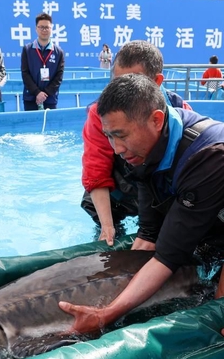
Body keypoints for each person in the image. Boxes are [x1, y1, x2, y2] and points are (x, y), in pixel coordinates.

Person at [60, 73, 224, 333]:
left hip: (212, 188)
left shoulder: (208, 157)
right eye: (109, 137)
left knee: (219, 319)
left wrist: (106, 314)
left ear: (156, 120)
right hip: (205, 207)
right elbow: (148, 231)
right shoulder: (145, 145)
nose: (116, 149)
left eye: (121, 136)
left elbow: (168, 257)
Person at [81, 40, 192, 246]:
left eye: (133, 81)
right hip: (119, 193)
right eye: (117, 82)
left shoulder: (182, 114)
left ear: (157, 81)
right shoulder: (101, 114)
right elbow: (95, 172)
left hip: (159, 190)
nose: (123, 91)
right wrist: (107, 227)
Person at [21, 13, 65, 110]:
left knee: (50, 125)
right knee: (31, 124)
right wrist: (37, 92)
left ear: (51, 29)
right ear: (36, 28)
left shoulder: (59, 52)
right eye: (41, 27)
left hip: (50, 99)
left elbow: (59, 77)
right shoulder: (27, 50)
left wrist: (45, 93)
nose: (44, 30)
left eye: (47, 27)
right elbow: (25, 74)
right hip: (31, 98)